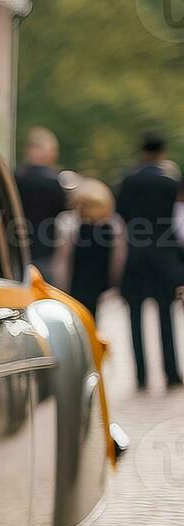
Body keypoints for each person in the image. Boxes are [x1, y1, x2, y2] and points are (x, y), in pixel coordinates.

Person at [116, 132, 182, 389]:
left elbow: (121, 215)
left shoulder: (129, 180)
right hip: (164, 254)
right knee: (166, 314)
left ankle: (141, 375)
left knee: (135, 316)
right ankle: (171, 372)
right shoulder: (169, 181)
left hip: (135, 252)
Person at [54, 178, 126, 320]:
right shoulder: (114, 225)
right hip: (101, 284)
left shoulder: (68, 223)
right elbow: (119, 259)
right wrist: (116, 284)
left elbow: (62, 259)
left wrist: (60, 288)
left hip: (76, 283)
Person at [15, 127, 69, 281]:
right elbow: (62, 212)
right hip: (46, 247)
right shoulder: (54, 181)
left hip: (15, 244)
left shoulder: (14, 177)